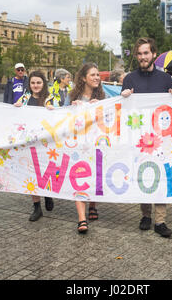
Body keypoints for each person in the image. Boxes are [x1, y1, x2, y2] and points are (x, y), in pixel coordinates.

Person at [121, 37, 172, 238]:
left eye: (146, 53)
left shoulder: (165, 79)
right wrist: (124, 97)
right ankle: (145, 215)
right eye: (139, 53)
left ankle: (160, 221)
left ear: (153, 54)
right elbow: (121, 110)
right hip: (138, 138)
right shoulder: (129, 79)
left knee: (161, 176)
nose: (143, 57)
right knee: (143, 176)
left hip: (161, 138)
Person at [64, 63, 106, 234]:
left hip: (96, 144)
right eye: (93, 75)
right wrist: (71, 109)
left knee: (96, 176)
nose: (97, 77)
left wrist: (101, 108)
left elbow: (111, 120)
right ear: (83, 78)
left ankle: (93, 205)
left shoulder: (103, 96)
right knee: (78, 177)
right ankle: (81, 218)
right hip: (79, 146)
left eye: (98, 75)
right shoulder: (72, 97)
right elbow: (61, 120)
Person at [14, 71, 55, 221]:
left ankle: (48, 195)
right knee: (32, 175)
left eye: (38, 82)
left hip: (45, 144)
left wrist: (53, 110)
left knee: (45, 173)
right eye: (33, 83)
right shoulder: (24, 98)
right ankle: (37, 208)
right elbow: (17, 118)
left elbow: (58, 116)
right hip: (28, 143)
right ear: (29, 84)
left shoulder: (50, 99)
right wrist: (16, 108)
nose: (35, 85)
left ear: (43, 83)